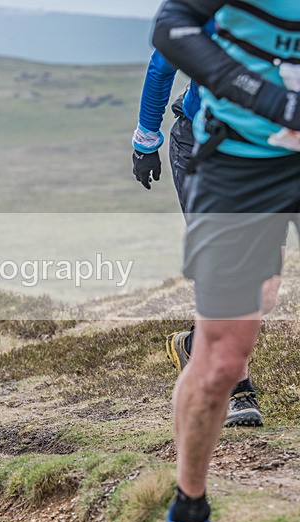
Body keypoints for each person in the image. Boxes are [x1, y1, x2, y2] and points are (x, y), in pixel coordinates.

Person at [153, 1, 300, 522]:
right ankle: (189, 509)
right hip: (241, 161)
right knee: (222, 361)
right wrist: (272, 101)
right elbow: (172, 29)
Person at [131, 42, 268, 428]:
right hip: (200, 144)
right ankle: (238, 391)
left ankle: (195, 344)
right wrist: (145, 141)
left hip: (262, 152)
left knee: (265, 290)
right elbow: (162, 67)